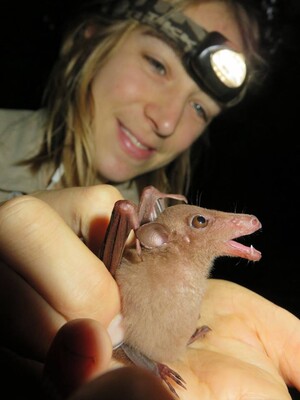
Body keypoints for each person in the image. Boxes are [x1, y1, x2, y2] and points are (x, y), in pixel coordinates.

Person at [0, 0, 299, 398]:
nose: (167, 121)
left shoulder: (160, 221)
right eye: (157, 65)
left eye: (198, 107)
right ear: (91, 39)